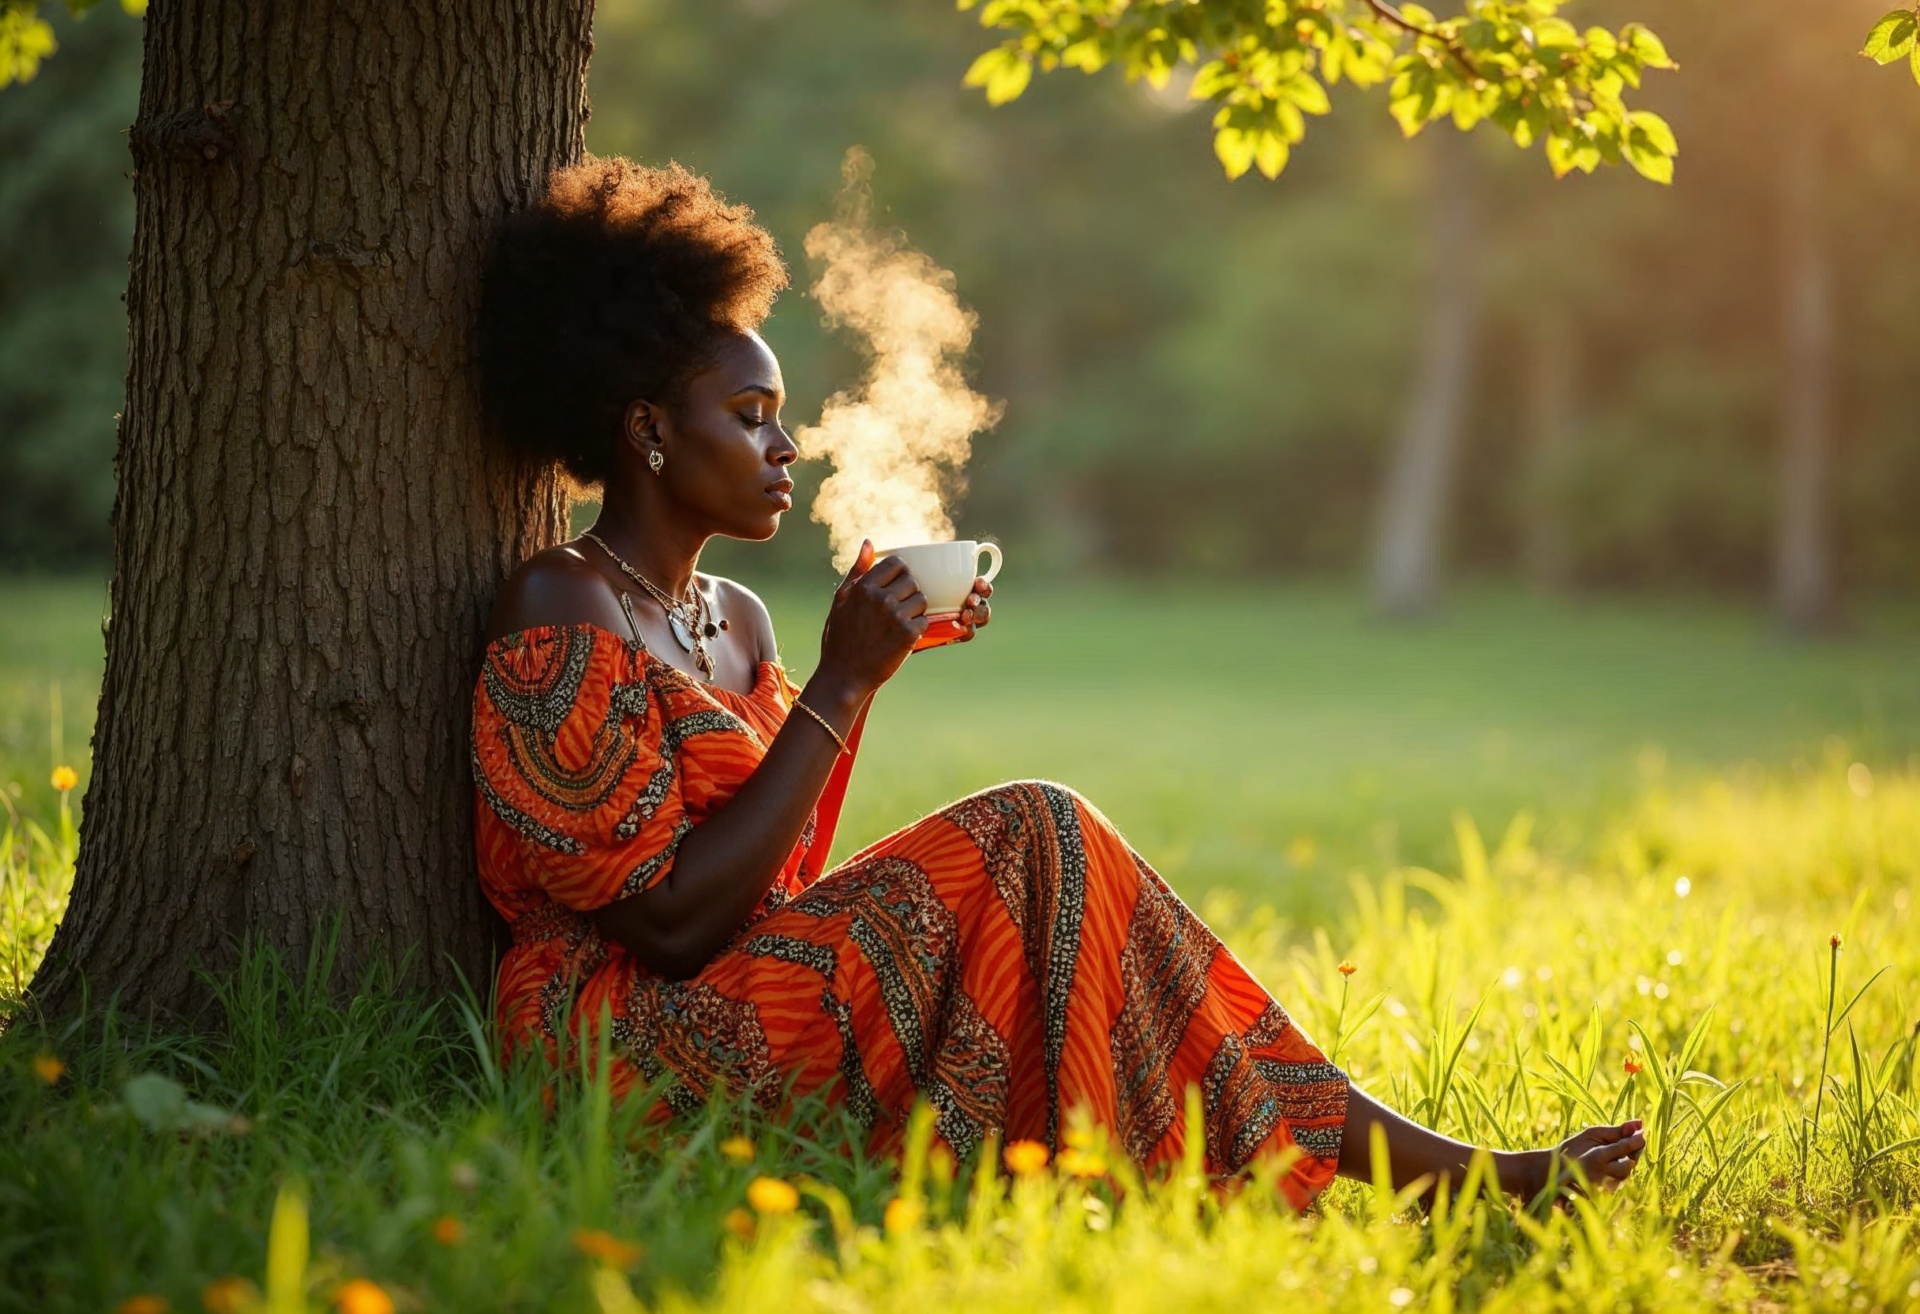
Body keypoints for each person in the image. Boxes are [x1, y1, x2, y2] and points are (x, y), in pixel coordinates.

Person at [468, 154, 1644, 1212]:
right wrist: (837, 687)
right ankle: (1393, 1168)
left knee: (1047, 848)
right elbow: (671, 926)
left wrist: (863, 681)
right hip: (628, 1047)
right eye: (751, 417)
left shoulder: (738, 619)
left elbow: (781, 881)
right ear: (647, 433)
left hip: (766, 996)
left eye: (785, 418)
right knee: (1036, 825)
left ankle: (1373, 1156)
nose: (788, 449)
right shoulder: (559, 610)